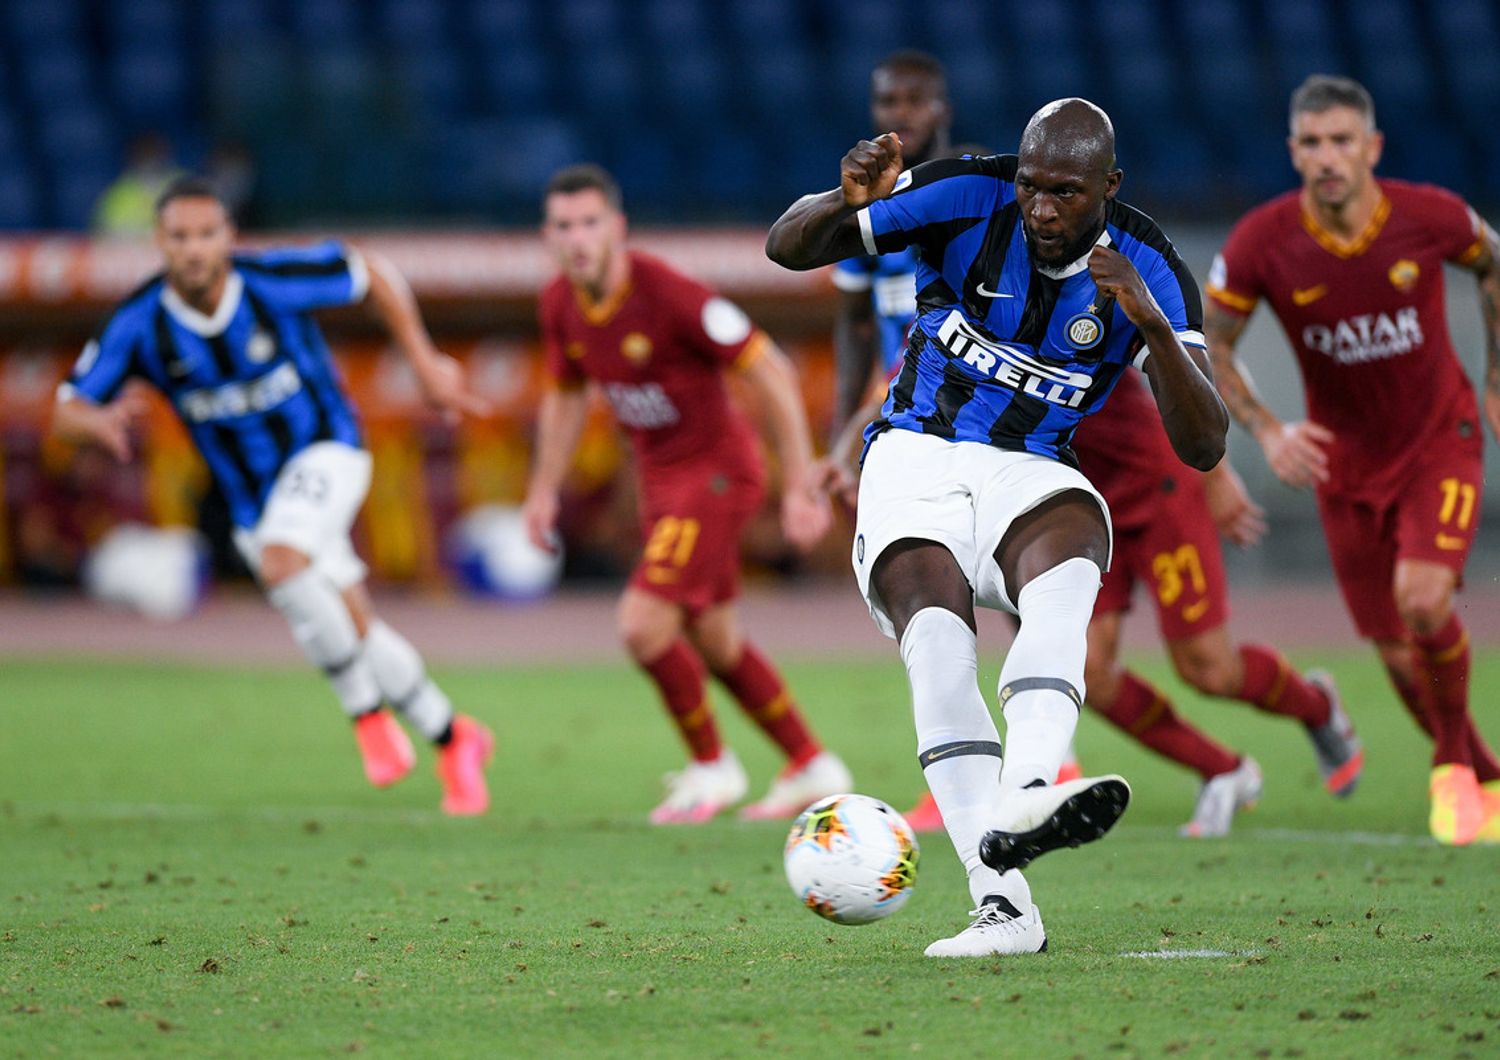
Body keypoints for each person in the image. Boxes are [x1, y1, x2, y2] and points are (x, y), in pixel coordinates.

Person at [769, 98, 1228, 956]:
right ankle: (1005, 907)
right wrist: (845, 203)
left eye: (1066, 192)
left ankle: (1027, 790)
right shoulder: (965, 195)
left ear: (1109, 187)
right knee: (937, 641)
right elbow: (786, 246)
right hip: (914, 450)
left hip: (1033, 466)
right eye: (1032, 186)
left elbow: (1204, 445)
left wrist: (1155, 331)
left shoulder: (1147, 260)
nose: (1043, 209)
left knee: (1072, 557)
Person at [52, 176, 497, 815]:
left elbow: (370, 272)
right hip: (251, 500)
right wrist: (93, 422)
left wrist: (424, 362)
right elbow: (67, 405)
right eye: (180, 237)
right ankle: (457, 738)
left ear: (229, 236)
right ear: (160, 243)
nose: (195, 250)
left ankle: (367, 718)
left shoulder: (270, 280)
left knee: (284, 558)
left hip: (328, 450)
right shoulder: (141, 323)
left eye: (207, 234)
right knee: (353, 625)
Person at [1205, 74, 1500, 846]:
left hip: (1440, 441)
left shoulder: (1428, 216)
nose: (1328, 157)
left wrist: (1496, 374)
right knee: (1401, 656)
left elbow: (1492, 258)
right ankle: (1485, 778)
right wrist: (1267, 430)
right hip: (1344, 468)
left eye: (1343, 141)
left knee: (1425, 601)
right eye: (1312, 143)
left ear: (1372, 147)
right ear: (1293, 152)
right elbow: (1211, 343)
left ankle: (1448, 769)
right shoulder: (1262, 242)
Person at [523, 164, 851, 825]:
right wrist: (541, 491)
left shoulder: (669, 293)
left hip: (719, 474)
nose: (578, 238)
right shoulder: (560, 303)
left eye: (590, 223)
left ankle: (711, 767)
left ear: (616, 229)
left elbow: (771, 369)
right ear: (548, 236)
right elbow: (565, 396)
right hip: (663, 484)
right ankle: (811, 763)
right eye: (564, 227)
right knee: (715, 637)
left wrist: (797, 485)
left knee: (643, 626)